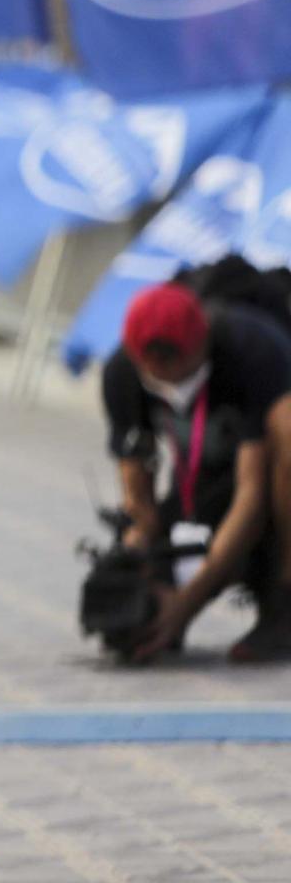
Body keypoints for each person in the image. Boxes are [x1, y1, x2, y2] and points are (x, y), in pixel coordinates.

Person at [101, 282, 291, 663]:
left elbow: (250, 498)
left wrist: (186, 603)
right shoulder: (122, 372)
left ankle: (285, 600)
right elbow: (137, 489)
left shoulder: (250, 350)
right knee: (141, 606)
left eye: (178, 367)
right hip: (200, 482)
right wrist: (140, 557)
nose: (169, 381)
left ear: (202, 341)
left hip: (270, 485)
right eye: (156, 373)